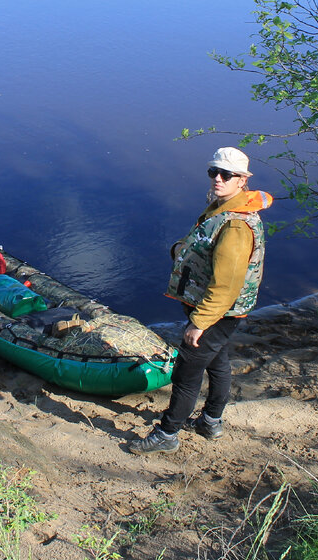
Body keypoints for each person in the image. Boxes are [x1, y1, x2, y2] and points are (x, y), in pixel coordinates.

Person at [127, 146, 272, 454]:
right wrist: (182, 249)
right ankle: (210, 421)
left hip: (218, 312)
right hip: (216, 309)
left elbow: (226, 285)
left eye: (226, 175)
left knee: (187, 371)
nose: (217, 179)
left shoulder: (236, 224)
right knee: (217, 362)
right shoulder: (224, 207)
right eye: (213, 172)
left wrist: (199, 323)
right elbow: (208, 243)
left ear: (243, 180)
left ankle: (167, 434)